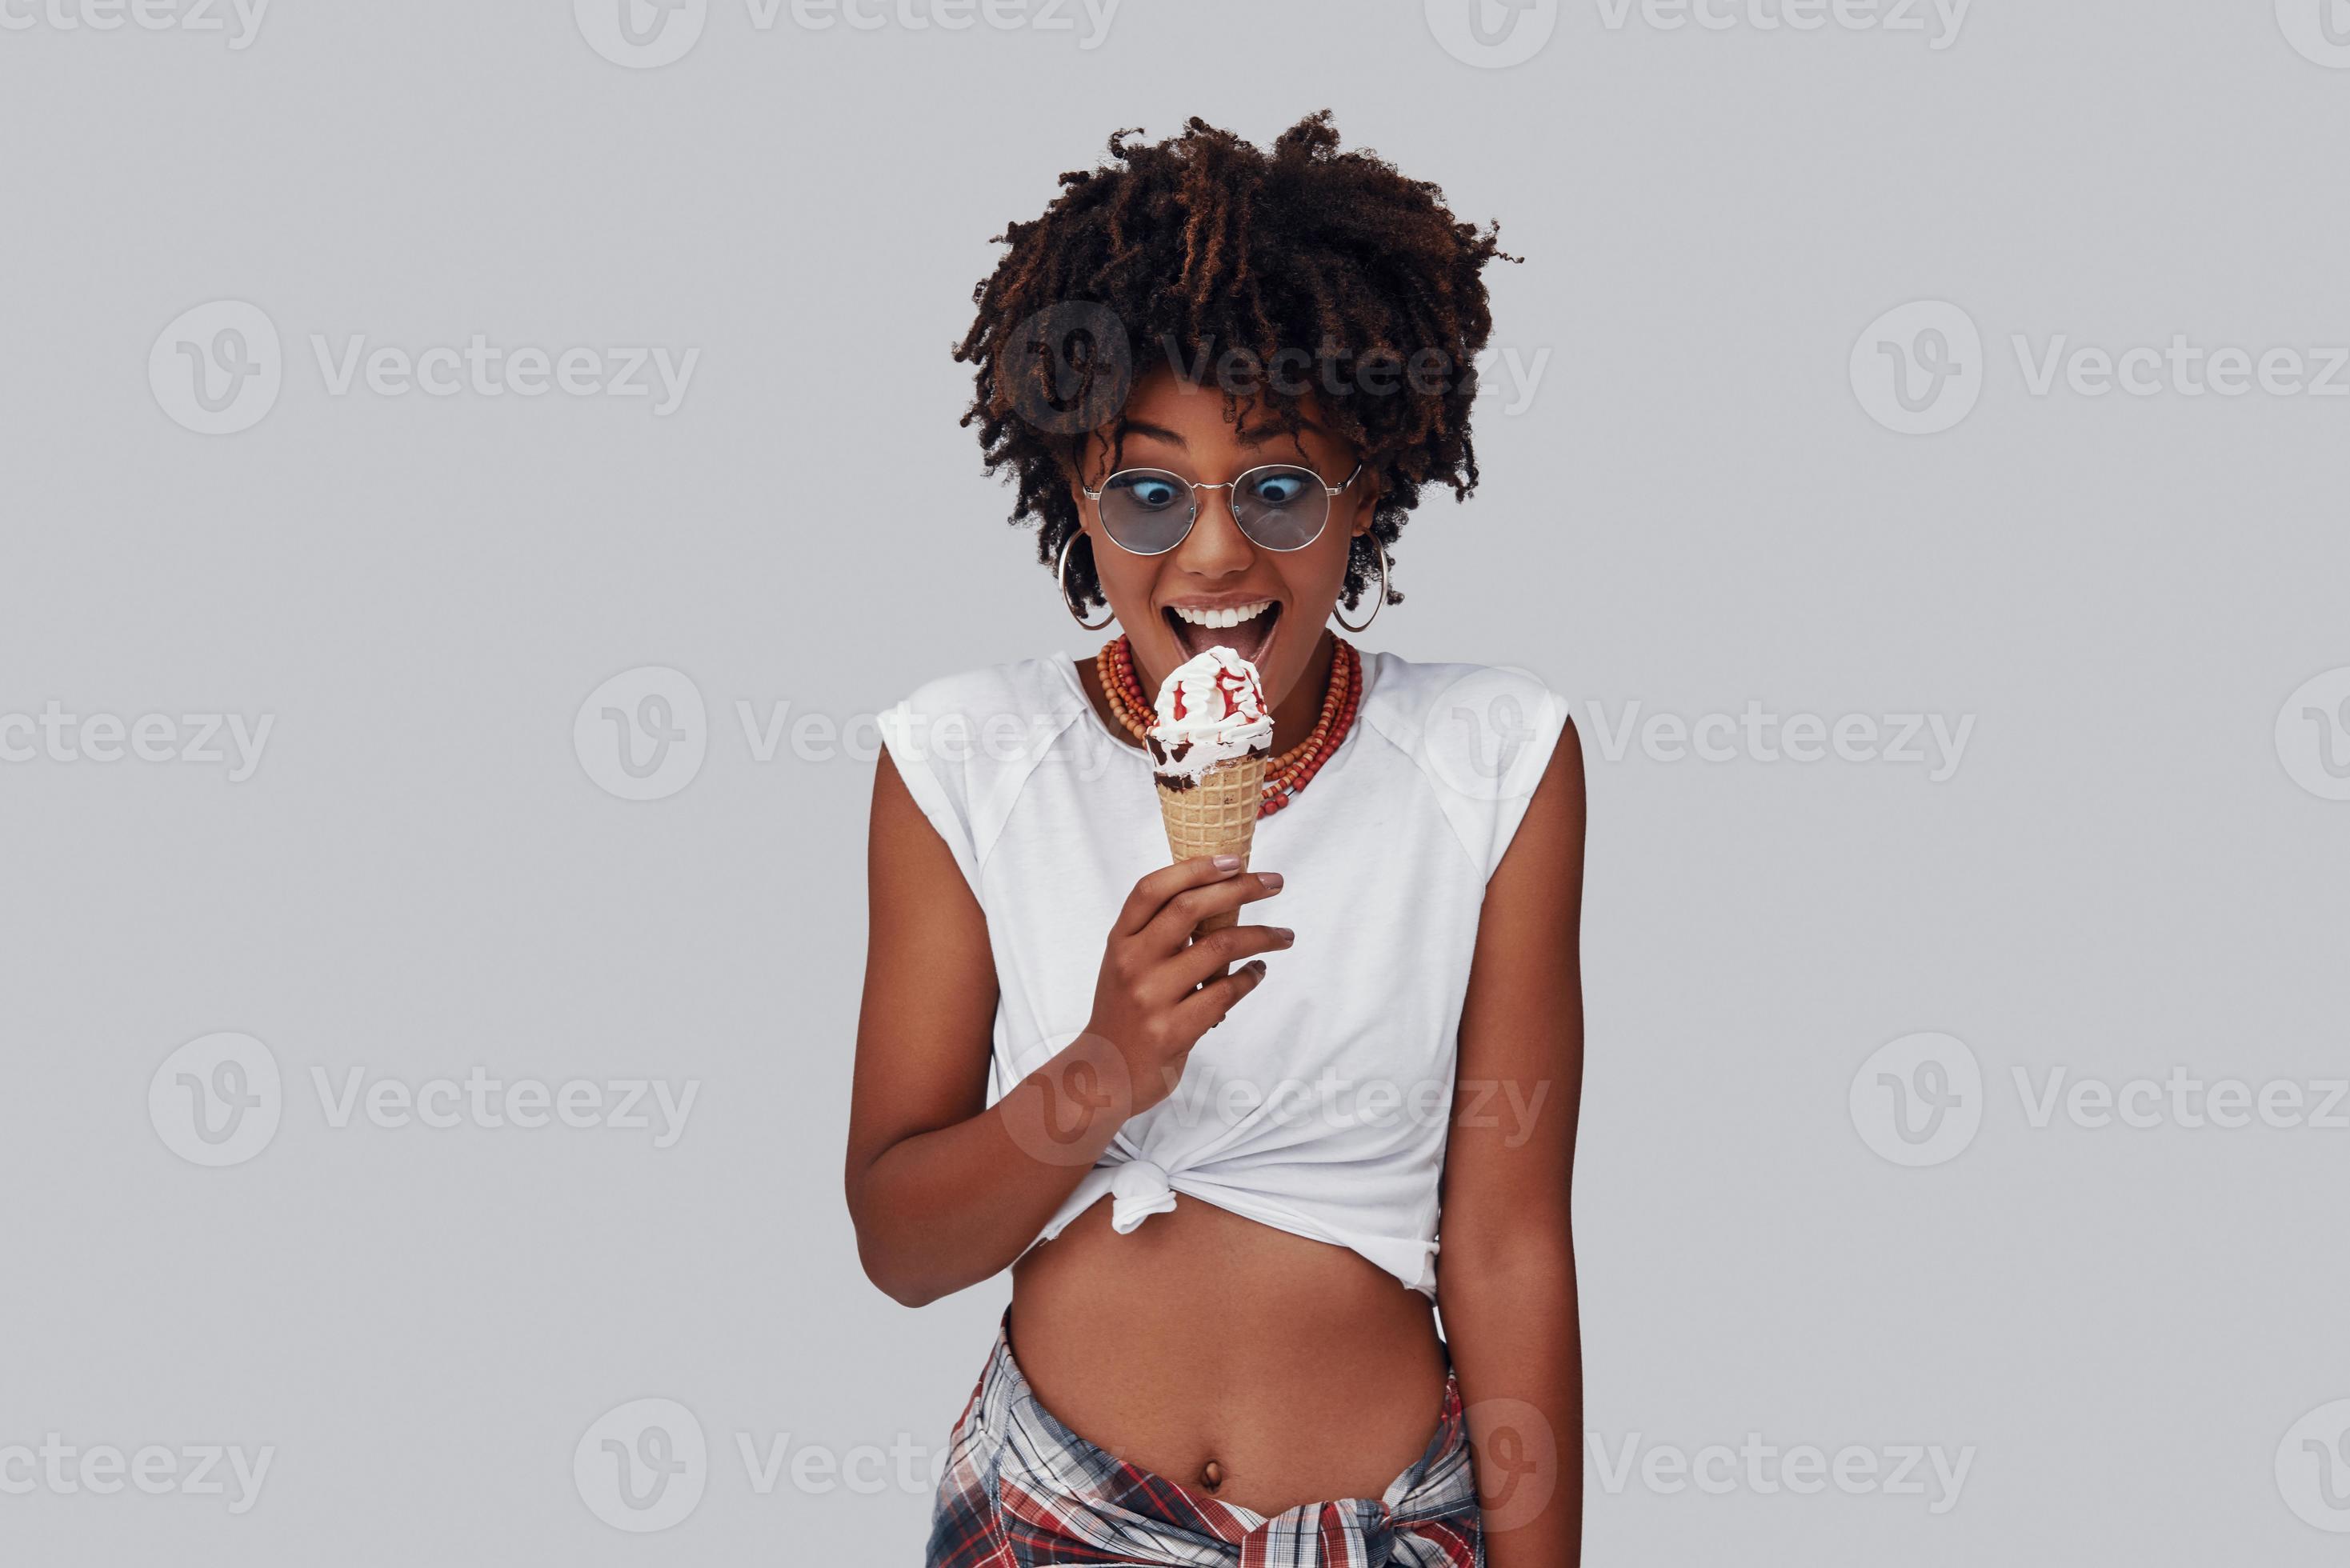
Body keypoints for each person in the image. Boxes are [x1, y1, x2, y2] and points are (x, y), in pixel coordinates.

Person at [847, 113, 1586, 1567]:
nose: (1213, 554)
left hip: (1391, 1525)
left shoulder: (1496, 758)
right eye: (1147, 489)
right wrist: (1101, 1071)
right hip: (1052, 1514)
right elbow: (900, 1247)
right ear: (1076, 490)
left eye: (1276, 485)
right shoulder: (963, 758)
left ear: (1364, 489)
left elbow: (1508, 1249)